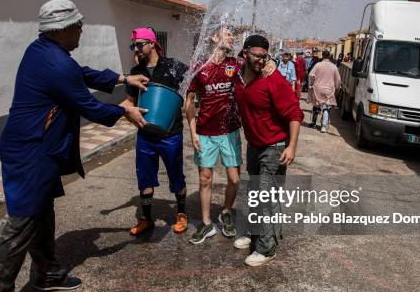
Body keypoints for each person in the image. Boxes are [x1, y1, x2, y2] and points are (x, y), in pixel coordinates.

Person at [0, 0, 149, 292]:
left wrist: (124, 78)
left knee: (42, 213)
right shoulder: (57, 65)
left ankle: (46, 273)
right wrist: (125, 111)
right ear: (63, 29)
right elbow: (88, 105)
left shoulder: (43, 52)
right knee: (20, 223)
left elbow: (80, 73)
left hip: (40, 148)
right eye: (78, 25)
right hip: (31, 153)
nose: (82, 29)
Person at [185, 27, 277, 244]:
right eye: (227, 34)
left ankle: (226, 211)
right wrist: (192, 132)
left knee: (234, 179)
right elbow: (188, 102)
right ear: (214, 38)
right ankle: (206, 224)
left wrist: (271, 62)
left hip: (230, 131)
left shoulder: (235, 65)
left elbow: (258, 64)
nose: (232, 38)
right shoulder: (199, 68)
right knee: (205, 178)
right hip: (205, 132)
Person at [234, 35, 303, 267]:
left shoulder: (272, 77)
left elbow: (294, 113)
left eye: (265, 56)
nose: (261, 61)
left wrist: (292, 146)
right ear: (244, 54)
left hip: (274, 148)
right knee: (254, 194)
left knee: (266, 197)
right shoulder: (237, 75)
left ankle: (266, 248)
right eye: (257, 55)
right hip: (254, 145)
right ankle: (255, 234)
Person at [122, 28, 189, 236]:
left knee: (176, 176)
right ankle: (146, 218)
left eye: (139, 44)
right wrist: (123, 112)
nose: (136, 49)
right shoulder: (135, 73)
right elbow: (130, 102)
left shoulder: (174, 67)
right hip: (145, 135)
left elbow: (194, 82)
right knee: (145, 178)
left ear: (152, 43)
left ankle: (181, 213)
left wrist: (189, 102)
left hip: (170, 134)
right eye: (134, 45)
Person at [308, 50, 341, 133]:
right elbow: (338, 80)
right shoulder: (334, 67)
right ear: (329, 56)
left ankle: (313, 122)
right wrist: (337, 88)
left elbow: (311, 75)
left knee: (316, 106)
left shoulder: (318, 65)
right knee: (326, 108)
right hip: (328, 90)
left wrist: (311, 85)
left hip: (317, 89)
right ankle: (323, 126)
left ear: (322, 56)